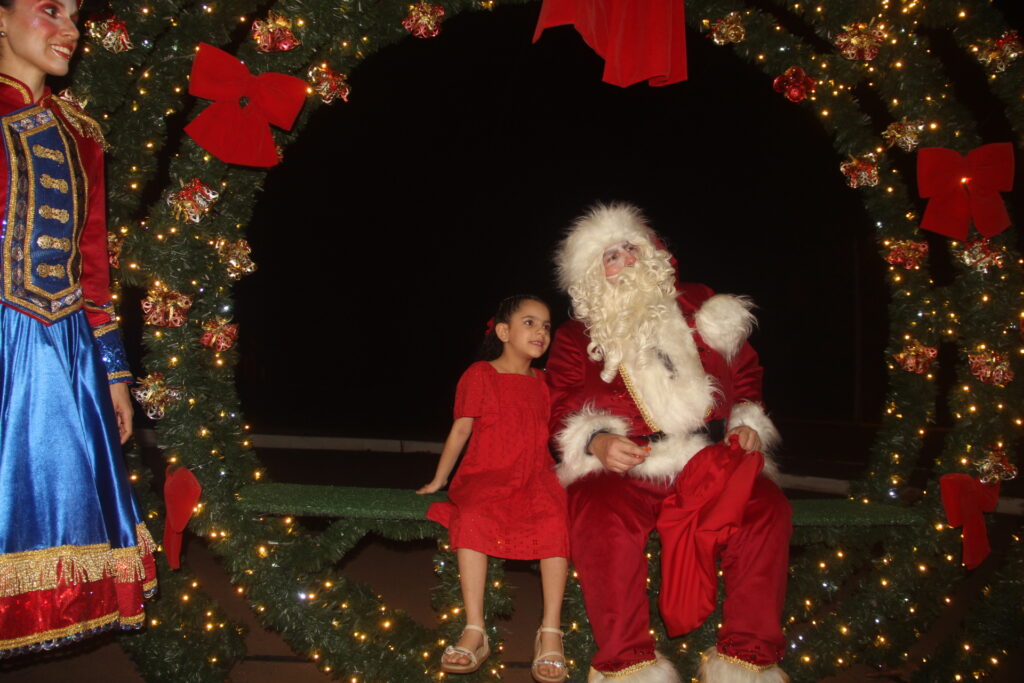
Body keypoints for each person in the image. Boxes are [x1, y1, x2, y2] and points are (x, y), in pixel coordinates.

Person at [547, 203, 791, 682]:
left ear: (651, 253)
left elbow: (745, 374)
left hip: (712, 459)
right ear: (594, 276)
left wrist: (747, 423)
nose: (624, 263)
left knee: (766, 510)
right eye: (609, 257)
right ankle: (628, 665)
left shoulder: (701, 305)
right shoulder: (576, 337)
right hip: (627, 468)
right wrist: (596, 442)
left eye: (629, 249)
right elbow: (560, 408)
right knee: (599, 516)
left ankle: (748, 662)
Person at [0, 0, 156, 658]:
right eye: (49, 9)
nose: (71, 28)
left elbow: (94, 265)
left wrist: (114, 374)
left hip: (60, 355)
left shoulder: (82, 133)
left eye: (76, 14)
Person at [418, 295, 570, 683]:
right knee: (473, 517)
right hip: (487, 472)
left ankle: (550, 630)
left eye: (547, 326)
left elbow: (559, 436)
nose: (541, 332)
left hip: (535, 474)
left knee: (555, 518)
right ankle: (475, 629)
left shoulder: (545, 382)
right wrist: (440, 479)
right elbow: (461, 430)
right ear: (503, 331)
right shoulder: (481, 374)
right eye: (530, 323)